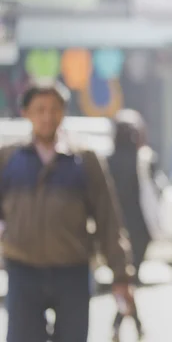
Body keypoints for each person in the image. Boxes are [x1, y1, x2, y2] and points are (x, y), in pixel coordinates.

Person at [0, 83, 134, 342]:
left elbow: (108, 220)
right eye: (40, 110)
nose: (47, 117)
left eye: (54, 109)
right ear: (26, 113)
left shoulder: (85, 159)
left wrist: (121, 274)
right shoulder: (9, 159)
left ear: (64, 112)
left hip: (71, 271)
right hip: (23, 270)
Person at [108, 109, 160, 341]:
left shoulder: (106, 161)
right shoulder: (145, 159)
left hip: (115, 231)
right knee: (129, 280)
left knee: (126, 280)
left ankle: (127, 325)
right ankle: (123, 324)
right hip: (138, 230)